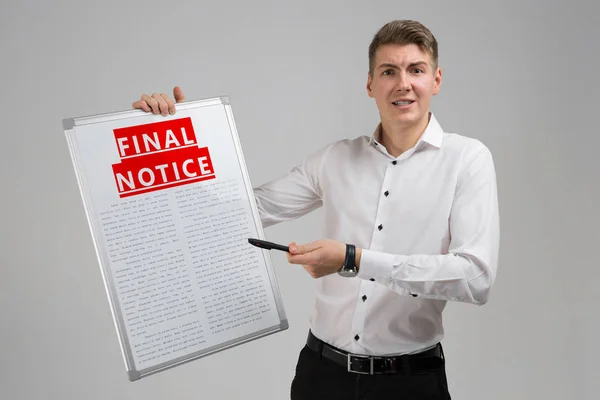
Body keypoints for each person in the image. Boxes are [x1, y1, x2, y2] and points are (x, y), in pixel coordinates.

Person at [132, 19, 499, 400]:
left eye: (416, 70)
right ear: (371, 84)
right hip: (321, 378)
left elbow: (474, 277)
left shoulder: (467, 159)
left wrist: (353, 259)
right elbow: (240, 210)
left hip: (410, 383)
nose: (403, 83)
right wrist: (176, 138)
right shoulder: (336, 158)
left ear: (436, 80)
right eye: (388, 71)